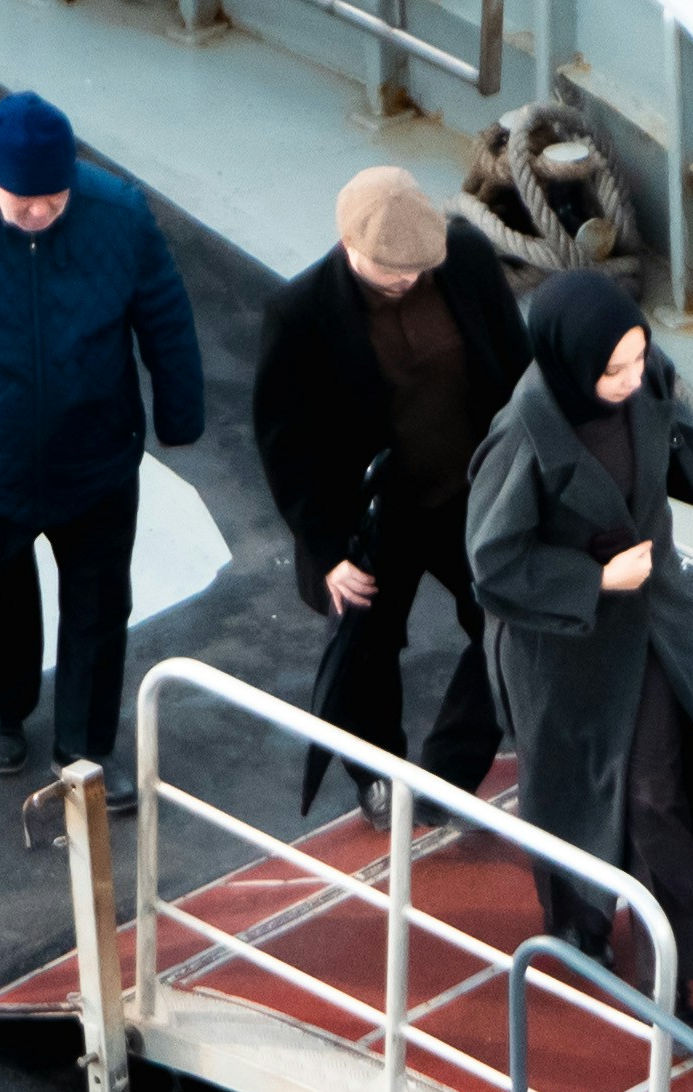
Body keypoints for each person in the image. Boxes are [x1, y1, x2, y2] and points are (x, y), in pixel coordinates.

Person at [0, 91, 203, 778]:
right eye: (25, 201)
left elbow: (164, 313)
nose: (42, 211)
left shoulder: (120, 213)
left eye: (55, 195)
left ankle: (83, 746)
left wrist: (180, 413)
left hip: (97, 460)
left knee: (99, 609)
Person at [464, 268, 693, 989]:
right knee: (570, 793)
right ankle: (577, 928)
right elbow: (493, 562)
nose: (634, 376)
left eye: (638, 358)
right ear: (571, 360)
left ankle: (673, 975)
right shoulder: (524, 436)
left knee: (657, 794)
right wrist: (593, 580)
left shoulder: (642, 374)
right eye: (614, 368)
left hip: (650, 622)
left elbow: (674, 430)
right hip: (562, 651)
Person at [251, 167, 528, 803]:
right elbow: (286, 447)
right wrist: (326, 554)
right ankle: (378, 778)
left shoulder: (465, 260)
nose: (408, 278)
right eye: (390, 268)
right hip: (375, 517)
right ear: (349, 244)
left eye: (419, 267)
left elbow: (514, 368)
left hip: (471, 494)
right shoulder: (299, 314)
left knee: (511, 617)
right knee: (367, 657)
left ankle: (446, 778)